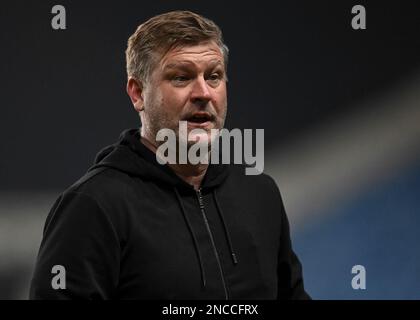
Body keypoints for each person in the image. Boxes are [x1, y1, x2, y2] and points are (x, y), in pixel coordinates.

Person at [29, 10, 310, 300]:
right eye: (181, 77)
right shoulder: (93, 207)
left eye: (213, 76)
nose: (203, 93)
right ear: (137, 93)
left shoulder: (260, 194)